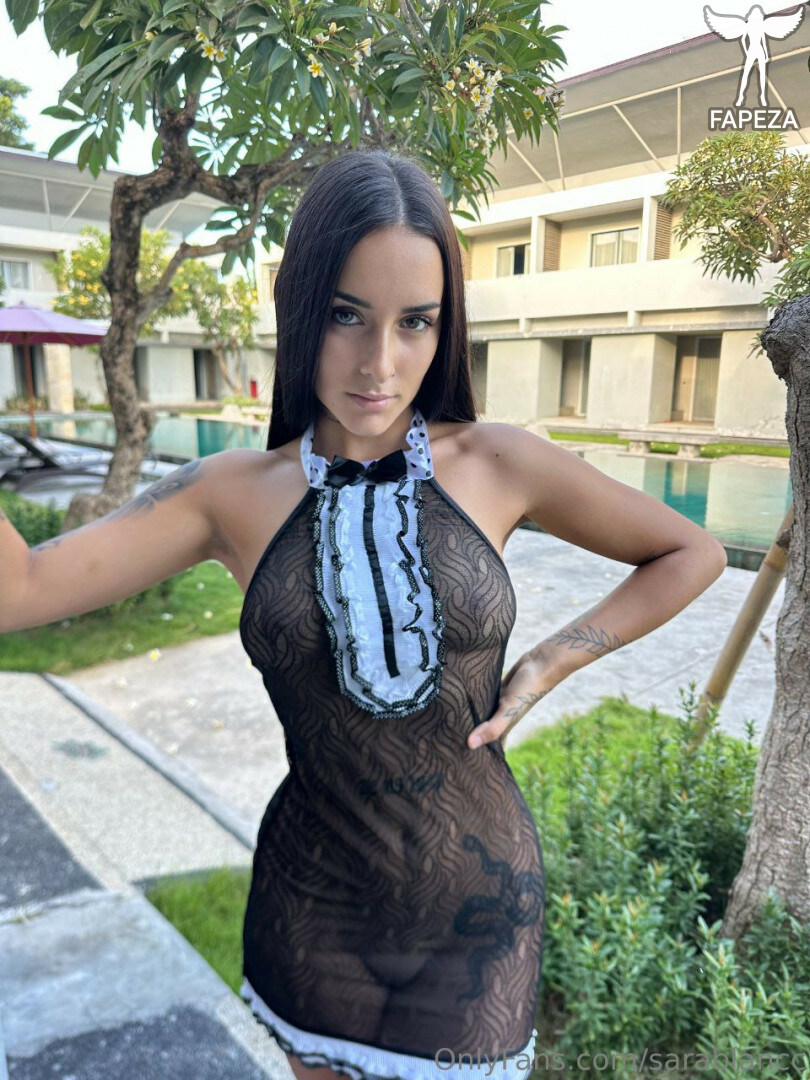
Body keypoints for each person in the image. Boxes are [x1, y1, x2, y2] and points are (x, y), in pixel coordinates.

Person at [0, 148, 727, 1080]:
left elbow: (690, 552)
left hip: (478, 915)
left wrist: (553, 659)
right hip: (313, 909)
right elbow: (20, 590)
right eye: (347, 315)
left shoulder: (499, 463)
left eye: (415, 322)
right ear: (301, 307)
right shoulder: (230, 494)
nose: (380, 363)